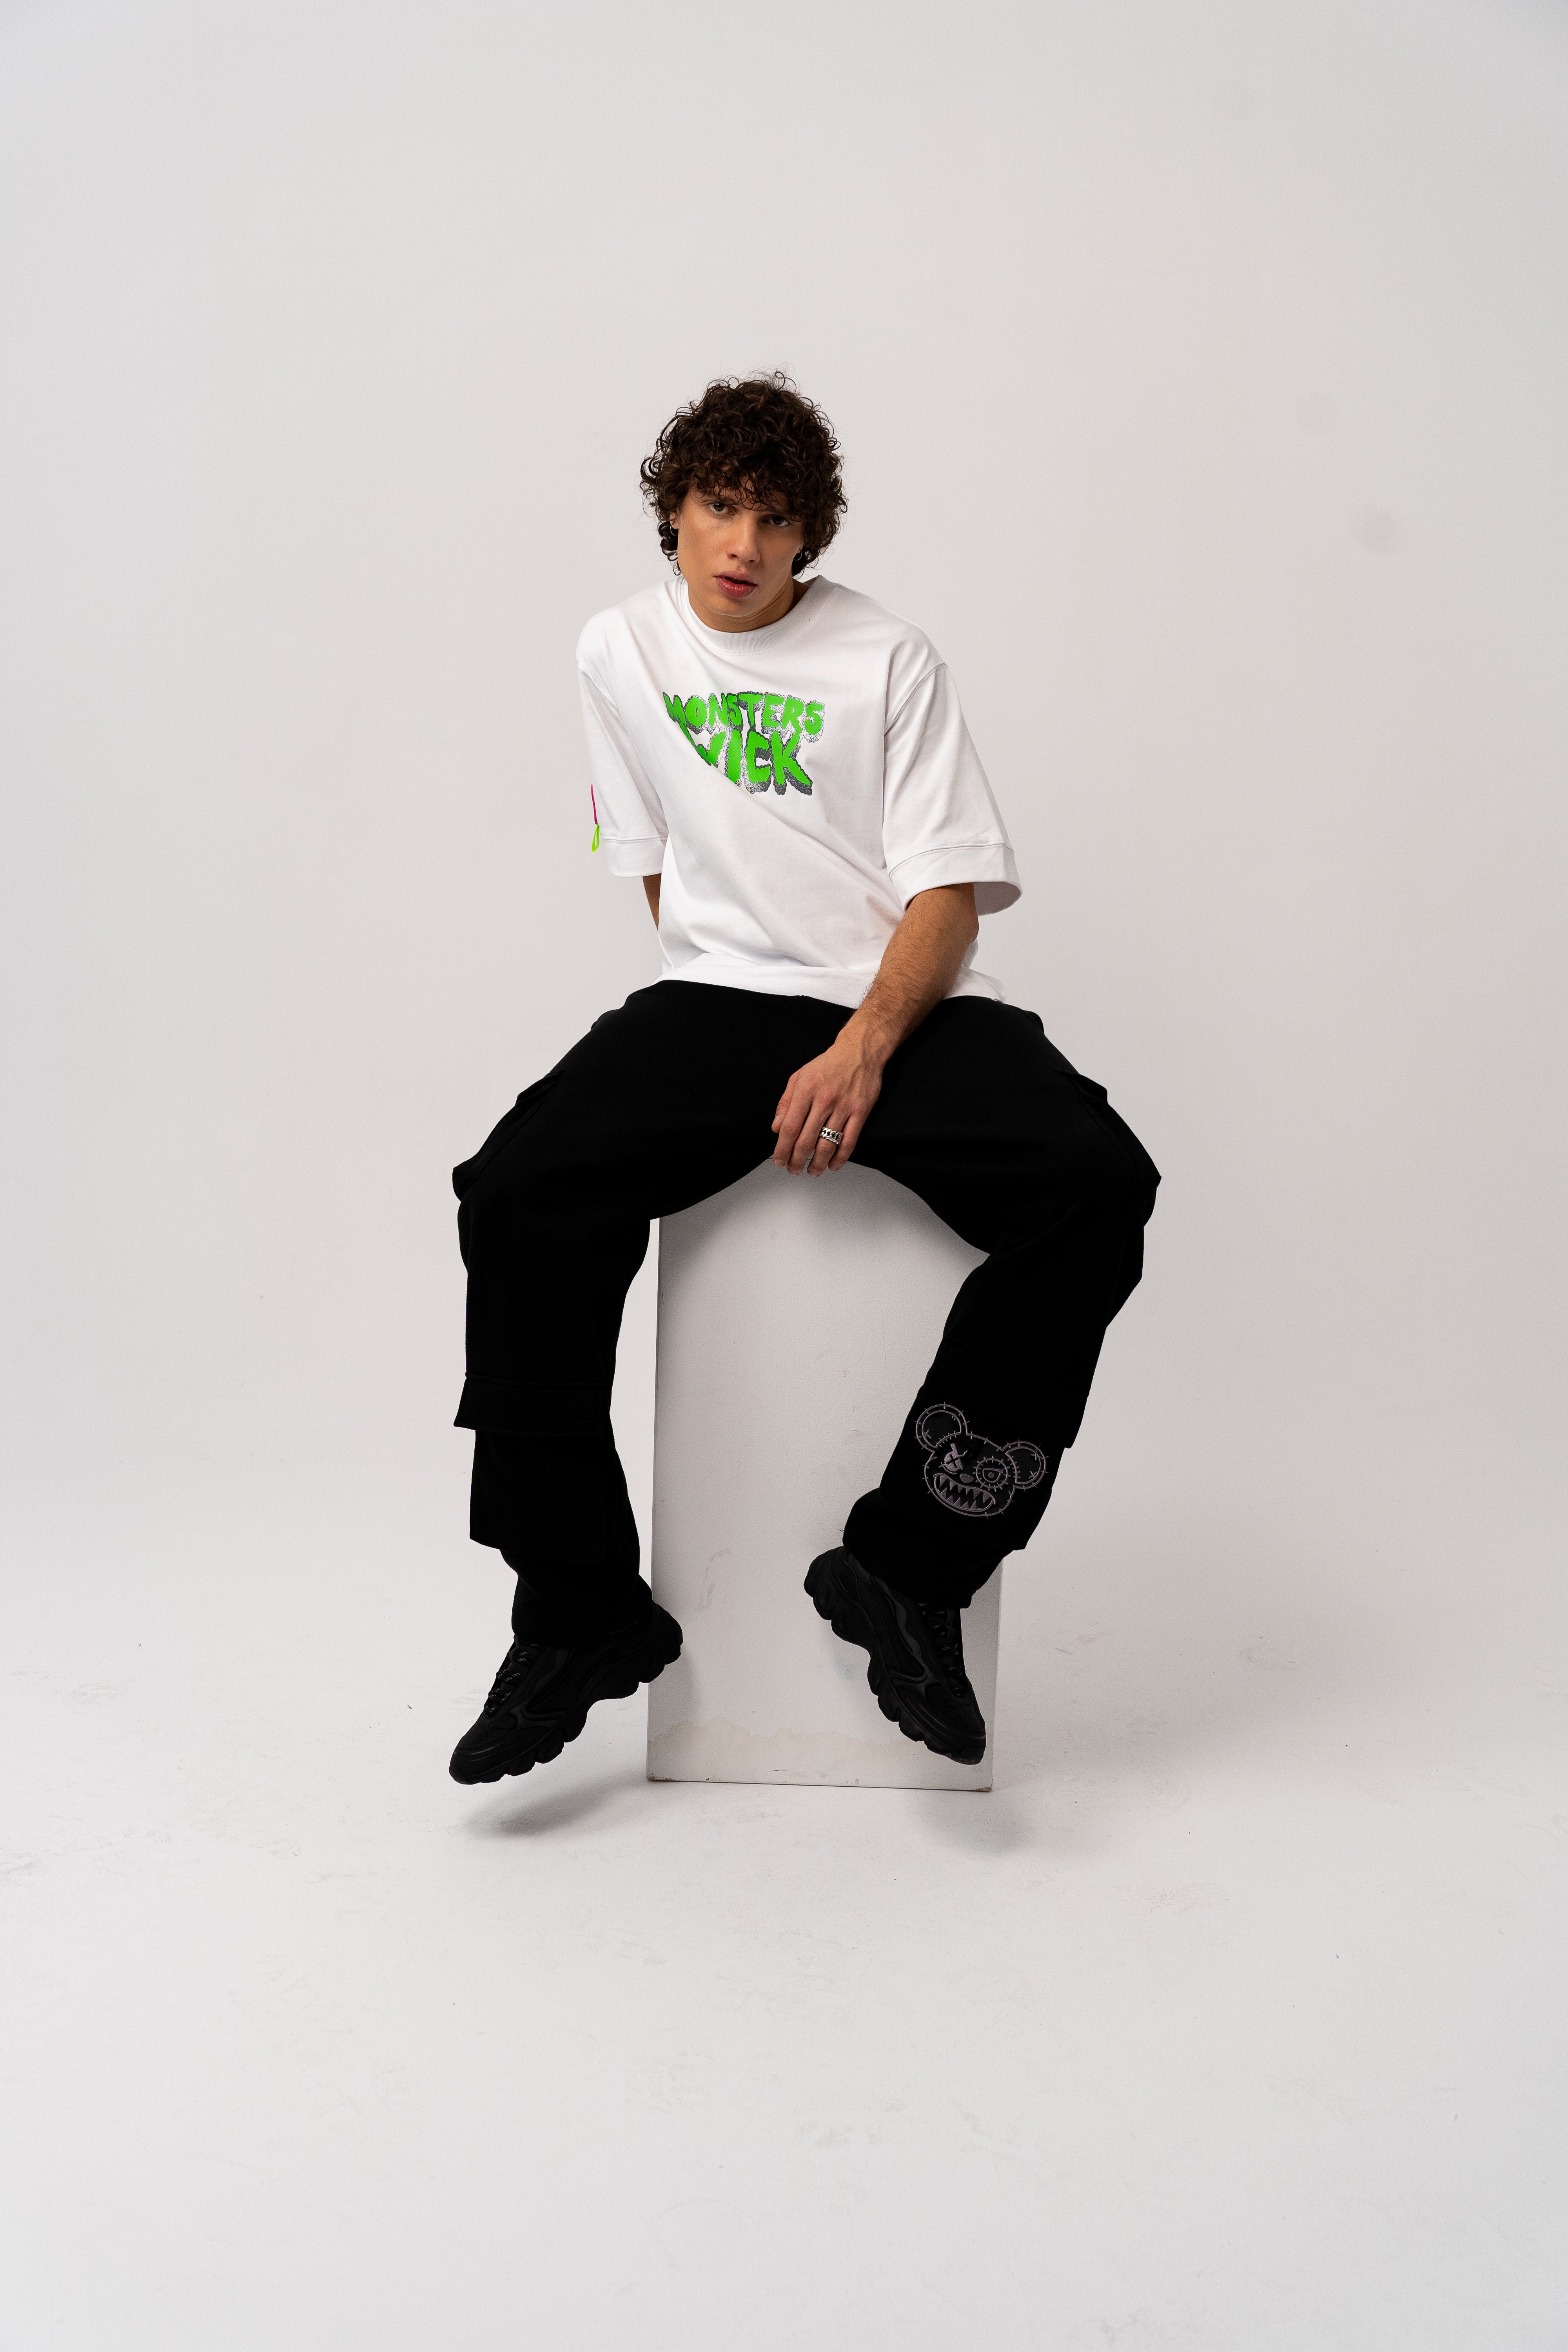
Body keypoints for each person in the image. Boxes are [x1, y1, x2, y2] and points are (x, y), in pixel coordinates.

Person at [447, 372, 1158, 1785]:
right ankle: (577, 1612)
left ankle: (910, 1566)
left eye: (777, 519)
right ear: (673, 508)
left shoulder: (888, 657)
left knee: (1097, 1184)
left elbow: (947, 899)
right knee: (518, 1192)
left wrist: (863, 1042)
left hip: (896, 1000)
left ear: (808, 537)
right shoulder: (615, 649)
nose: (746, 544)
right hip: (719, 999)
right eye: (722, 506)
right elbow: (657, 866)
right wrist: (716, 1008)